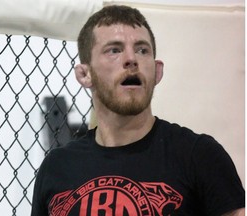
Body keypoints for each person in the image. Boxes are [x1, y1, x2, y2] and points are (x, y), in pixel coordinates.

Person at [31, 5, 245, 216]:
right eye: (114, 50)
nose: (131, 59)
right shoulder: (57, 167)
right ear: (85, 74)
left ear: (157, 71)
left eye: (142, 50)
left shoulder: (198, 156)